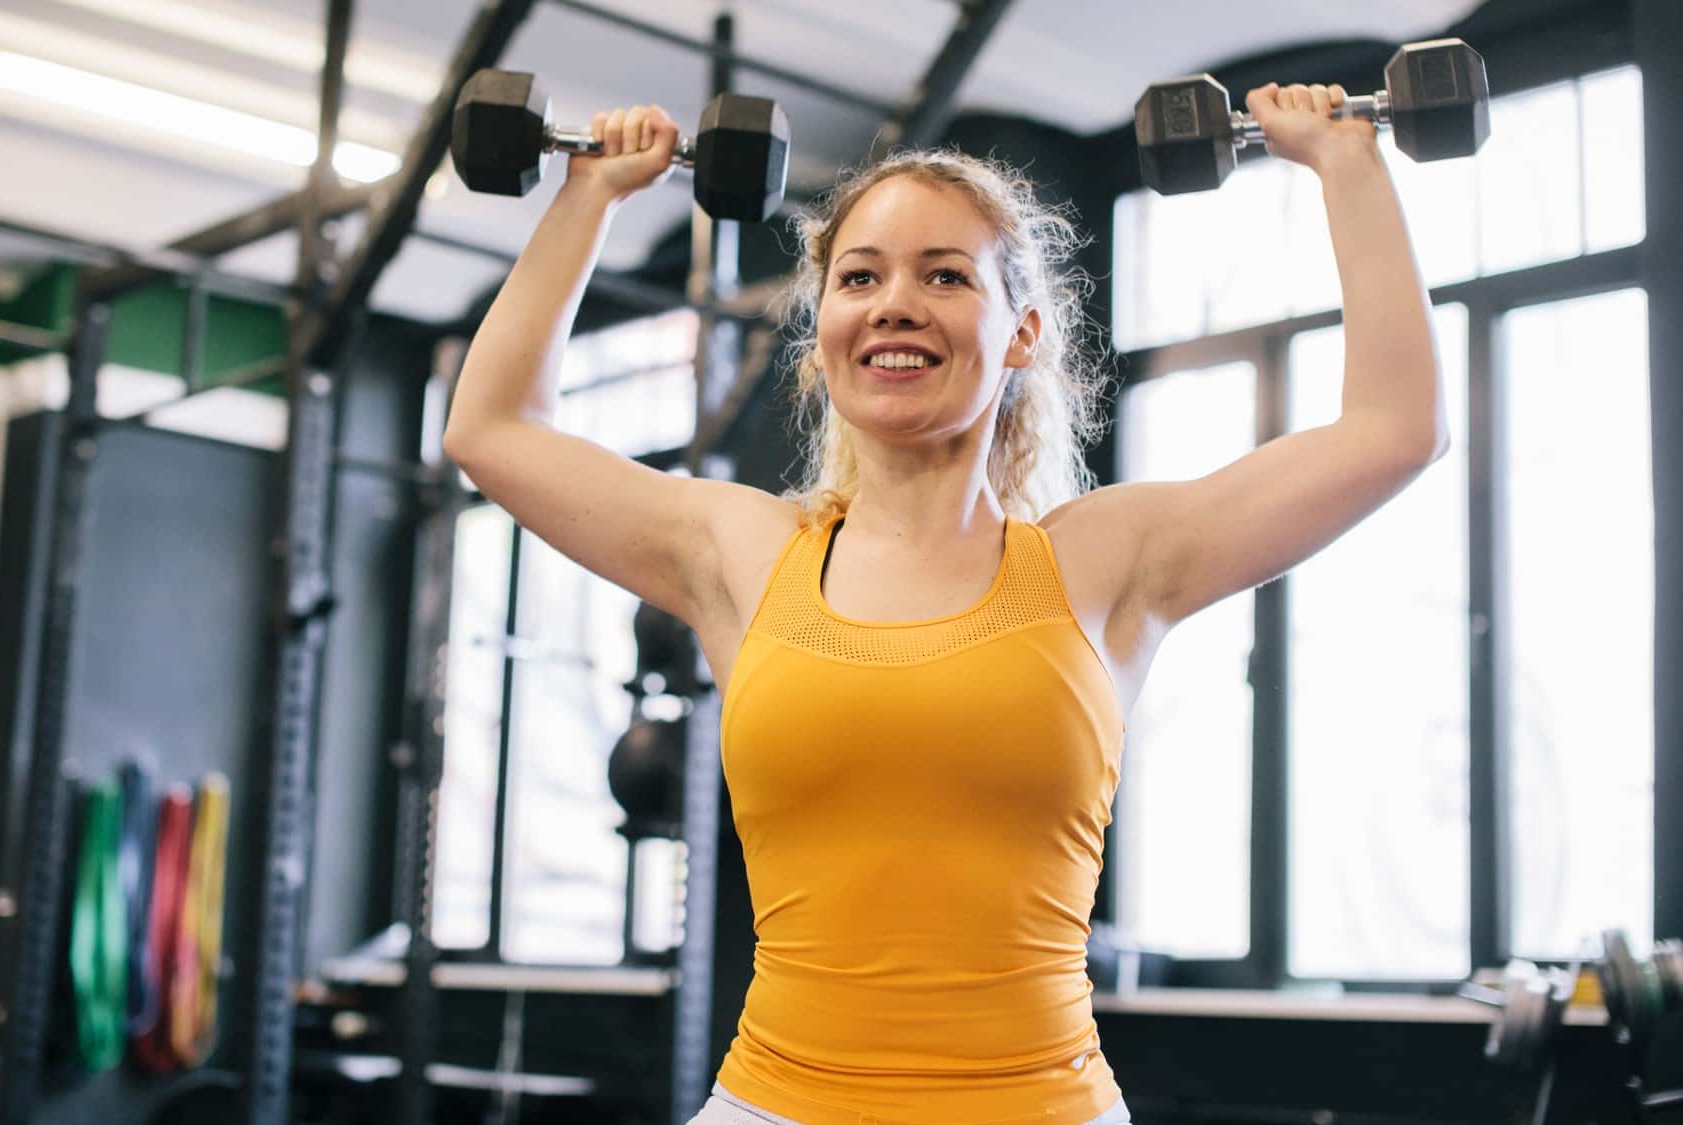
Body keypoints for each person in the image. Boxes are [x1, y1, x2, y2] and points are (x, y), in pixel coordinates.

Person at [444, 82, 1450, 1125]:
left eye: (942, 275)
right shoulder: (741, 555)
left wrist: (1346, 166)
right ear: (824, 327)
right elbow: (492, 432)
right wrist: (587, 195)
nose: (891, 303)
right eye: (858, 276)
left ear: (1018, 332)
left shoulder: (1105, 565)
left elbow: (1390, 430)